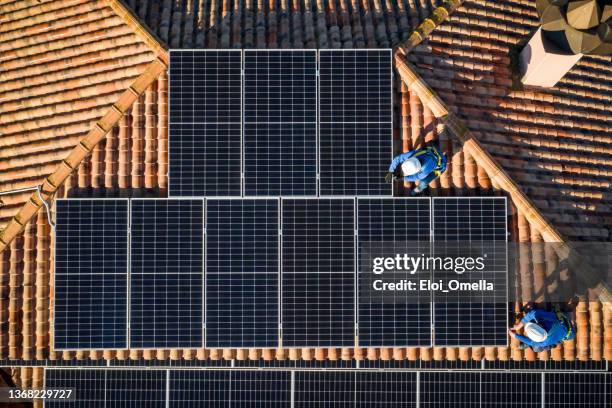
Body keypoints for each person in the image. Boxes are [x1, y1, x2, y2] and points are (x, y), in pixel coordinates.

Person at [508, 306, 576, 352]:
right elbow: (532, 313)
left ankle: (530, 346)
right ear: (540, 326)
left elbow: (530, 342)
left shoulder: (544, 342)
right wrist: (518, 328)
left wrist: (515, 335)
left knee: (536, 348)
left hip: (568, 332)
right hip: (566, 329)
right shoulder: (549, 318)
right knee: (537, 345)